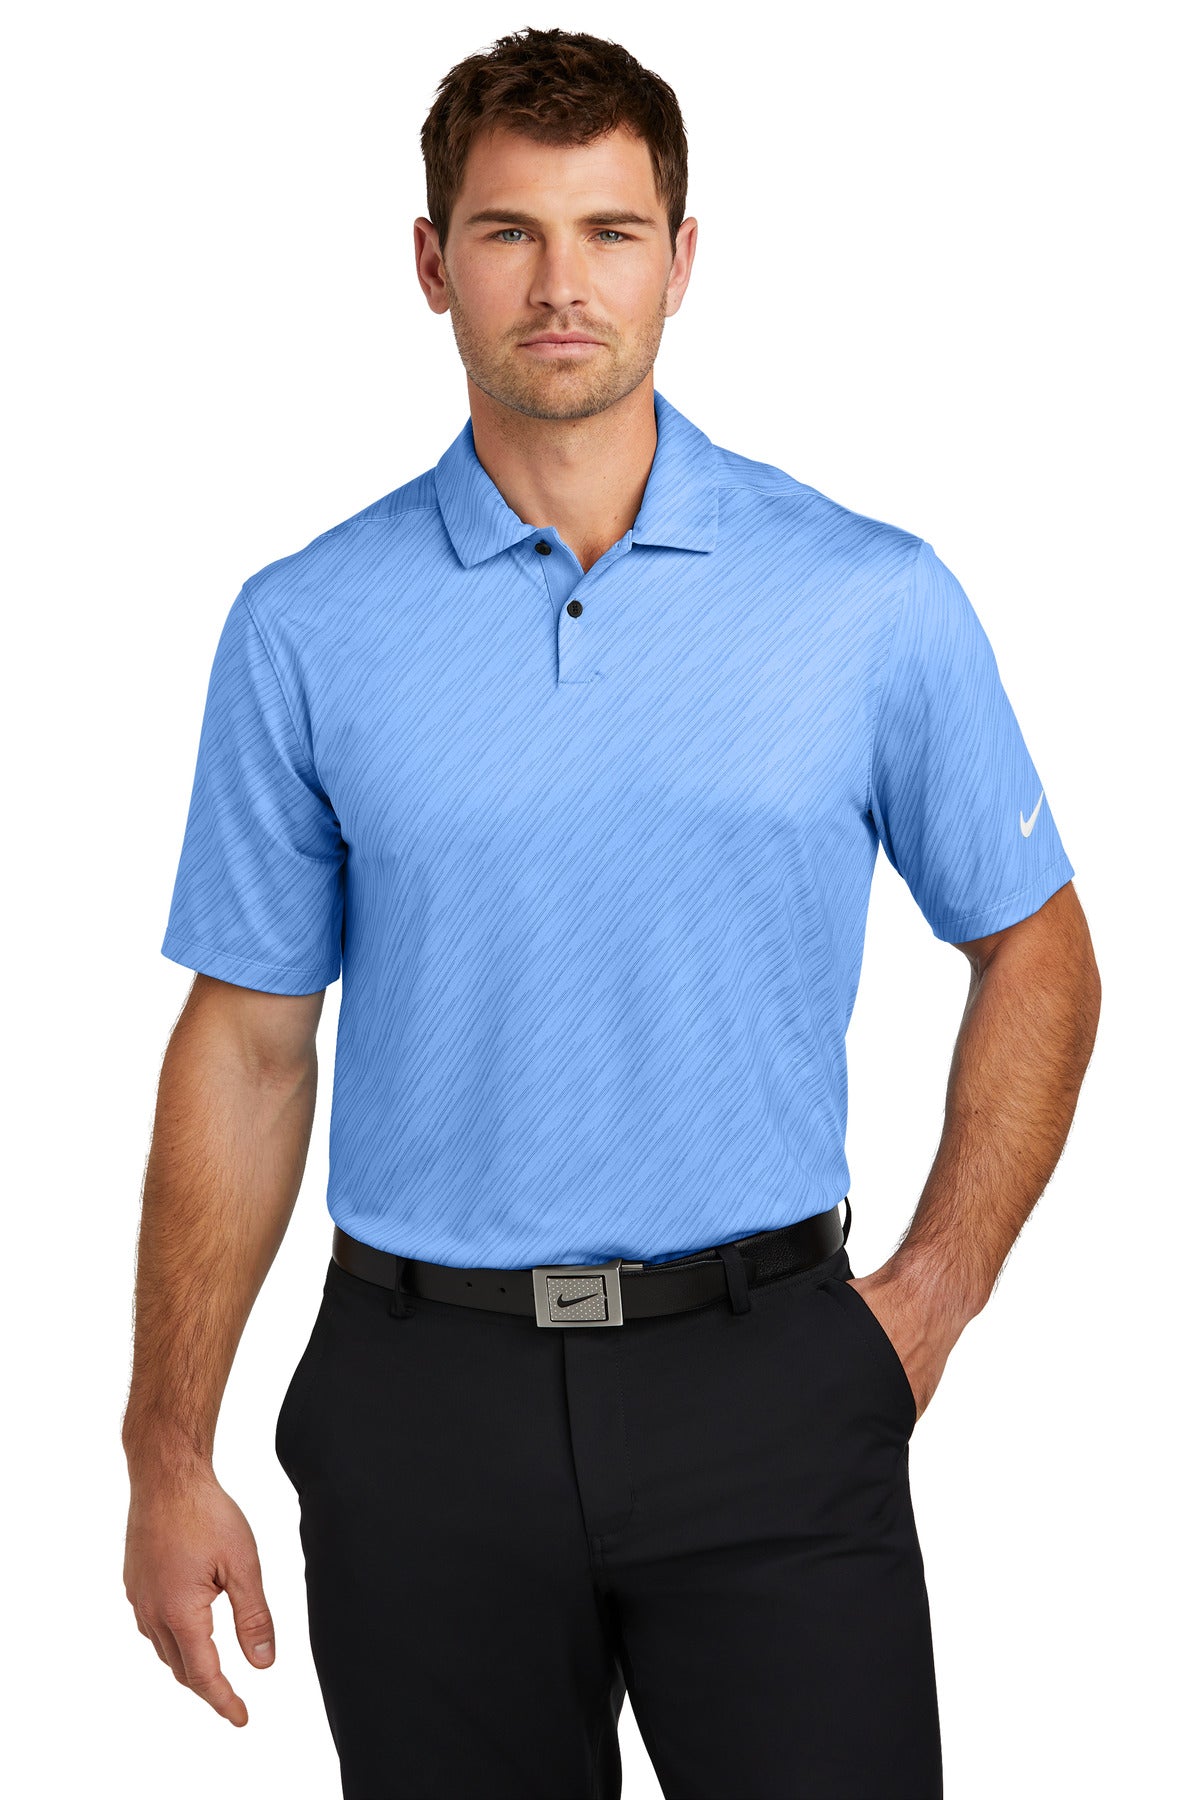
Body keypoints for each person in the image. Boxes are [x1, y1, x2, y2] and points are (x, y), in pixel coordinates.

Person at [122, 24, 1101, 1799]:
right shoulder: (303, 625)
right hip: (422, 1407)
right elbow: (251, 1045)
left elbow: (1036, 946)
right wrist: (166, 1446)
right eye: (509, 232)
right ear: (432, 263)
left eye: (610, 231)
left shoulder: (869, 598)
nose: (561, 284)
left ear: (682, 258)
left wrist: (931, 1300)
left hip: (771, 1385)